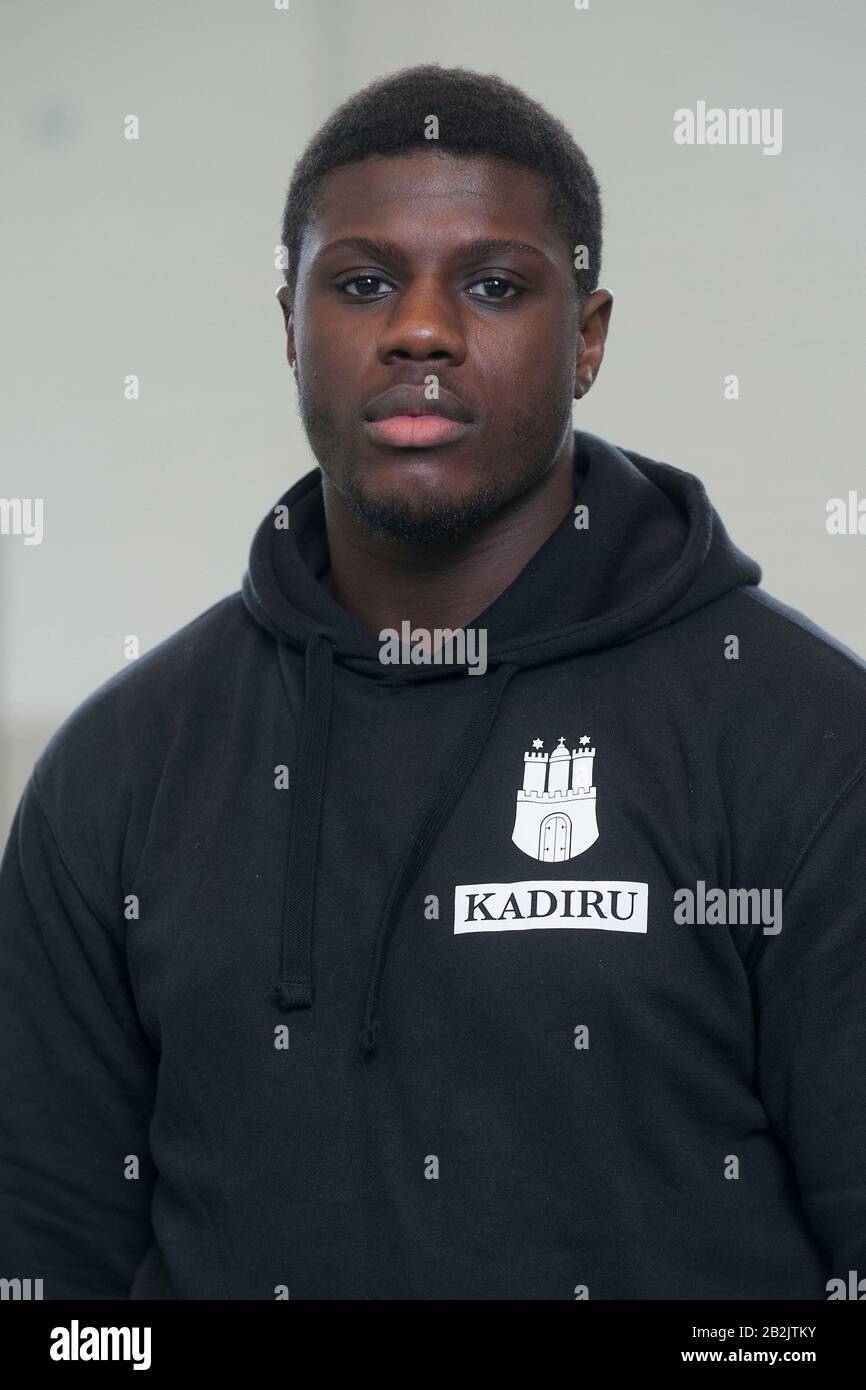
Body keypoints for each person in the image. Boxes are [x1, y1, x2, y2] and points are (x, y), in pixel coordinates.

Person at [1, 63, 865, 1302]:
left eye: (495, 285)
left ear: (587, 338)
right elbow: (49, 1272)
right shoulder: (121, 770)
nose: (419, 328)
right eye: (360, 283)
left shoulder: (804, 739)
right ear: (290, 324)